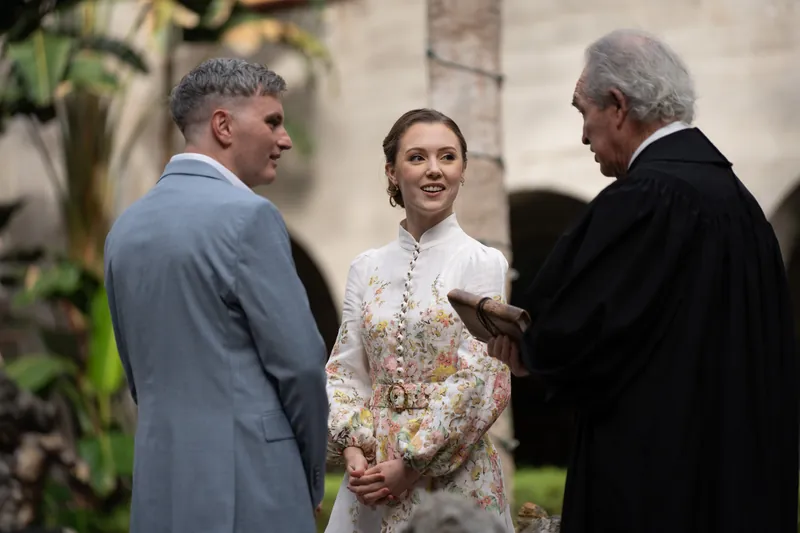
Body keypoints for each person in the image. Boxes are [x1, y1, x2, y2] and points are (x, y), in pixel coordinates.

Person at [488, 28, 799, 533]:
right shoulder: (744, 209)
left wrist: (529, 347)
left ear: (616, 105)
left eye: (581, 111)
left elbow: (580, 328)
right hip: (742, 485)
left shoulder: (643, 201)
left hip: (655, 486)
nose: (583, 135)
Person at [104, 58, 328, 533]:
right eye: (272, 122)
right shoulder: (250, 217)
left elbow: (139, 377)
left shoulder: (124, 229)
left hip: (159, 489)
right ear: (223, 125)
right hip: (254, 488)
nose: (284, 139)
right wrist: (309, 477)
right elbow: (303, 366)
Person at [324, 109, 514, 533]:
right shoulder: (365, 267)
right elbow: (344, 369)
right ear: (391, 172)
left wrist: (411, 465)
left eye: (447, 157)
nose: (434, 170)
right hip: (370, 478)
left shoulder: (483, 262)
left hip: (454, 473)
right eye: (417, 157)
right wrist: (355, 451)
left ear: (462, 170)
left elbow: (481, 375)